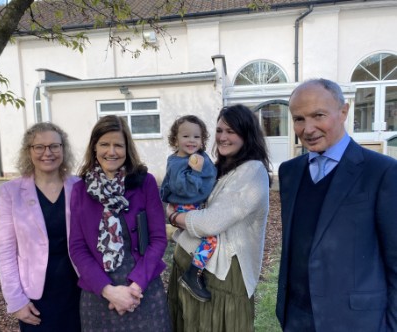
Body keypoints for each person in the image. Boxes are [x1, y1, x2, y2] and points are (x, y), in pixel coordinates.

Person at [276, 78, 397, 332]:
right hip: (296, 317)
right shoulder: (289, 172)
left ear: (344, 111)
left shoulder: (382, 172)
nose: (308, 129)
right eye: (299, 119)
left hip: (355, 322)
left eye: (318, 115)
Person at [167, 104, 271, 331]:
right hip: (188, 265)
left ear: (247, 134)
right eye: (220, 130)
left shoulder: (252, 172)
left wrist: (173, 216)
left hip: (221, 277)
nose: (223, 137)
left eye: (231, 131)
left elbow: (209, 223)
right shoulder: (218, 167)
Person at [69, 115, 171, 331]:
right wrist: (109, 291)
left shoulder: (145, 182)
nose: (112, 151)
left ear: (127, 149)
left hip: (142, 291)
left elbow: (158, 239)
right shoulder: (80, 190)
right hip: (99, 294)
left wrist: (135, 288)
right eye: (105, 144)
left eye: (118, 145)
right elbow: (77, 248)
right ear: (94, 147)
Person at [0, 122, 81, 331]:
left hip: (79, 290)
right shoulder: (10, 192)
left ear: (63, 148)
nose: (47, 153)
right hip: (35, 296)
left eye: (54, 146)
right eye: (39, 147)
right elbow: (5, 251)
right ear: (29, 151)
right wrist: (16, 301)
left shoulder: (80, 186)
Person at [160, 115, 217, 302]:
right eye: (185, 136)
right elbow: (183, 189)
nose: (191, 140)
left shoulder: (197, 157)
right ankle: (193, 273)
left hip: (193, 205)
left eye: (196, 137)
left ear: (203, 140)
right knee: (210, 239)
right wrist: (195, 171)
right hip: (185, 207)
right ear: (175, 139)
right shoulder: (180, 163)